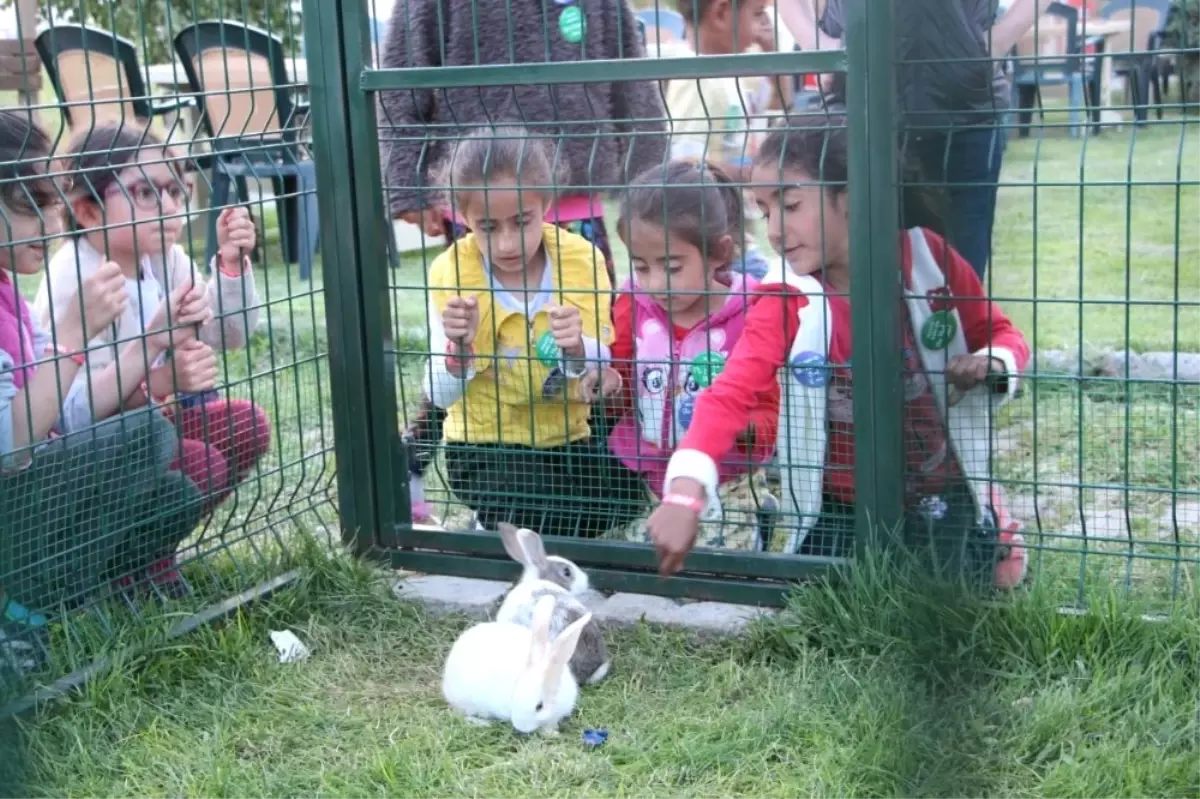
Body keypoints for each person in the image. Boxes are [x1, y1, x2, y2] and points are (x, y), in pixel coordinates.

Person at [645, 116, 1031, 589]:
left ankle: (987, 520)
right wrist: (684, 493)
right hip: (841, 500)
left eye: (790, 205)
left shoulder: (929, 256)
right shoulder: (785, 295)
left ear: (850, 199)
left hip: (940, 484)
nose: (776, 231)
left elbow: (1001, 332)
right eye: (766, 213)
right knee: (834, 592)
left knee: (958, 590)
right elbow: (731, 392)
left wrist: (992, 362)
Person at [378, 0, 669, 523]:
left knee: (584, 334)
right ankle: (422, 459)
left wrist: (651, 175)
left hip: (576, 190)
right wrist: (408, 184)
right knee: (478, 339)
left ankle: (587, 469)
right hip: (476, 195)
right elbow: (402, 72)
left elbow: (630, 69)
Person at [0, 112, 202, 675]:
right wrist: (73, 334)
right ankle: (24, 615)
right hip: (16, 493)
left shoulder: (9, 294)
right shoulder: (68, 277)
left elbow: (61, 413)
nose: (55, 213)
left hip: (39, 480)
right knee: (148, 439)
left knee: (177, 493)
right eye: (33, 199)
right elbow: (11, 443)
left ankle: (78, 597)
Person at [34, 123, 270, 596]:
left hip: (150, 430)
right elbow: (69, 413)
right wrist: (160, 381)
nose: (168, 206)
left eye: (175, 190)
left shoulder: (166, 259)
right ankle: (116, 569)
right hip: (82, 463)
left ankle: (149, 551)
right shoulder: (73, 281)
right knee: (198, 463)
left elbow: (231, 333)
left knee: (249, 425)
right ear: (87, 211)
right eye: (144, 192)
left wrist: (228, 264)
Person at [425, 127, 647, 538]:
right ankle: (495, 520)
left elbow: (597, 361)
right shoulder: (450, 272)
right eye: (488, 227)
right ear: (464, 218)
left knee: (627, 500)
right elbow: (439, 395)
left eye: (521, 222)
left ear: (545, 204)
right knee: (549, 516)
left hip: (566, 434)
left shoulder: (582, 259)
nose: (507, 243)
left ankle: (504, 524)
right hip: (485, 443)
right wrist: (459, 351)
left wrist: (581, 347)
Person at [775, 0, 1051, 280]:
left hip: (965, 114)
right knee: (854, 281)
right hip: (857, 114)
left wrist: (993, 45)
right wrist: (818, 44)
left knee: (958, 284)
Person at [583, 159, 780, 551]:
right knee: (647, 561)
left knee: (721, 567)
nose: (655, 283)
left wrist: (739, 429)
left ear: (720, 252)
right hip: (646, 473)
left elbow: (770, 407)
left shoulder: (752, 309)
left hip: (728, 477)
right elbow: (619, 380)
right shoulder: (631, 302)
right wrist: (607, 384)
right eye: (641, 267)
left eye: (671, 267)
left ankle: (758, 512)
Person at [659, 0, 792, 280]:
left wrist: (773, 55)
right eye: (757, 15)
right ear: (721, 13)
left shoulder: (729, 73)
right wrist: (751, 175)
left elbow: (781, 101)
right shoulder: (697, 80)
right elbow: (685, 164)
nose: (761, 28)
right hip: (719, 246)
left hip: (737, 240)